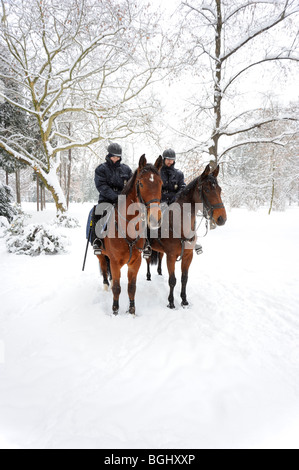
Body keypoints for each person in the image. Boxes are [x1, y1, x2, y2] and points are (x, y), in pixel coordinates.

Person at [92, 143, 132, 254]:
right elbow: (101, 186)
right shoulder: (101, 169)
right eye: (114, 156)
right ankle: (98, 240)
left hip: (123, 200)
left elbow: (131, 185)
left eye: (118, 157)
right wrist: (115, 197)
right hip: (106, 199)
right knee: (98, 212)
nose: (116, 159)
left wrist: (124, 198)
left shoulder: (126, 170)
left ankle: (142, 241)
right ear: (109, 155)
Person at [161, 149, 203, 256]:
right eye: (168, 160)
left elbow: (182, 188)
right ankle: (148, 241)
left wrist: (175, 198)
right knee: (155, 215)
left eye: (172, 160)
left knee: (189, 215)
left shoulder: (178, 173)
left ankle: (193, 238)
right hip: (161, 201)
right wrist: (164, 197)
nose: (170, 162)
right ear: (164, 160)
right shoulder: (158, 172)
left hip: (175, 201)